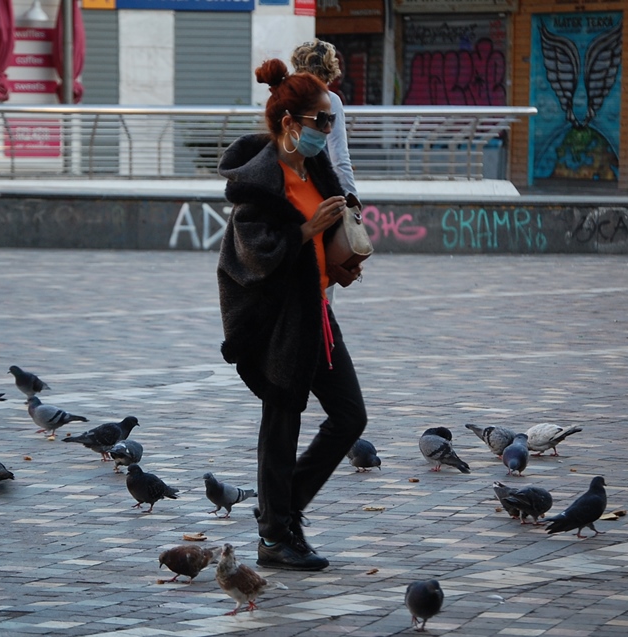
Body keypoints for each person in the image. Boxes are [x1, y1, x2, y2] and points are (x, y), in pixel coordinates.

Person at [216, 59, 367, 571]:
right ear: (290, 123)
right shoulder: (260, 181)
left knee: (349, 415)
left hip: (316, 310)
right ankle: (275, 537)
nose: (328, 128)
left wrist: (335, 266)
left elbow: (315, 246)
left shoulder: (315, 169)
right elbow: (253, 254)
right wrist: (307, 231)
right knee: (281, 424)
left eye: (331, 119)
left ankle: (279, 512)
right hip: (279, 321)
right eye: (321, 120)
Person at [291, 39, 360, 208]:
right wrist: (352, 199)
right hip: (316, 190)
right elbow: (339, 156)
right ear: (330, 68)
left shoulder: (284, 96)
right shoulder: (330, 100)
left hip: (286, 185)